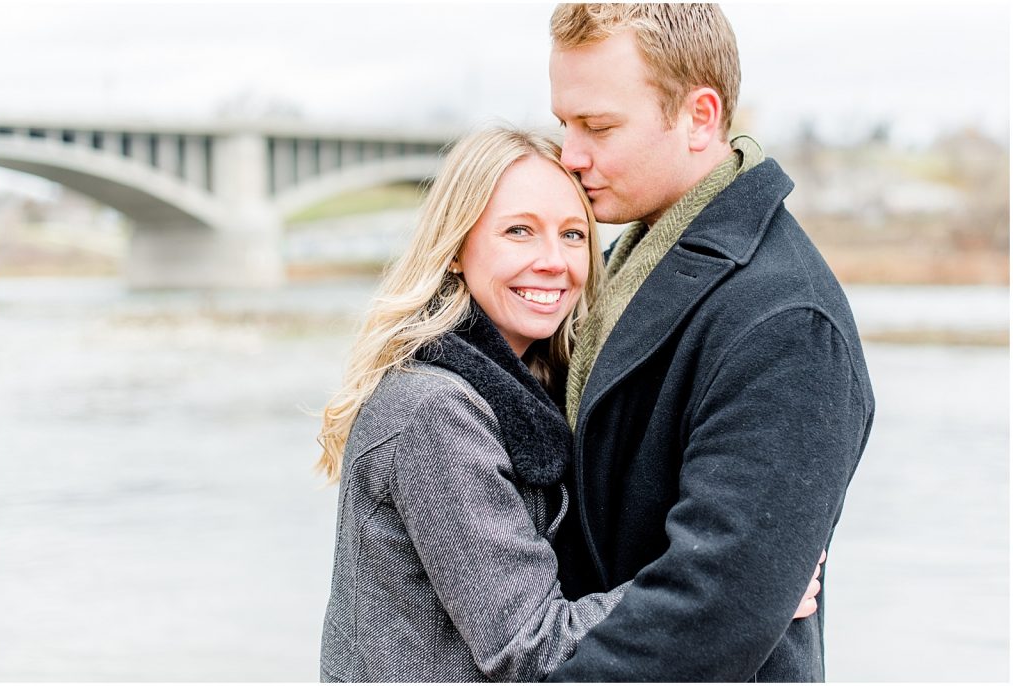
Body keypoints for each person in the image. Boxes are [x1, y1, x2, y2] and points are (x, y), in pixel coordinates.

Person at [316, 126, 822, 682]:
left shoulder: (537, 387)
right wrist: (738, 594)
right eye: (519, 231)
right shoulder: (432, 411)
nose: (554, 262)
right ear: (456, 249)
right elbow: (532, 646)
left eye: (574, 235)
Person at [545, 4, 876, 682]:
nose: (570, 155)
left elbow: (713, 613)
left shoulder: (786, 320)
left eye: (598, 127)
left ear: (700, 116)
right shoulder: (627, 264)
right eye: (564, 125)